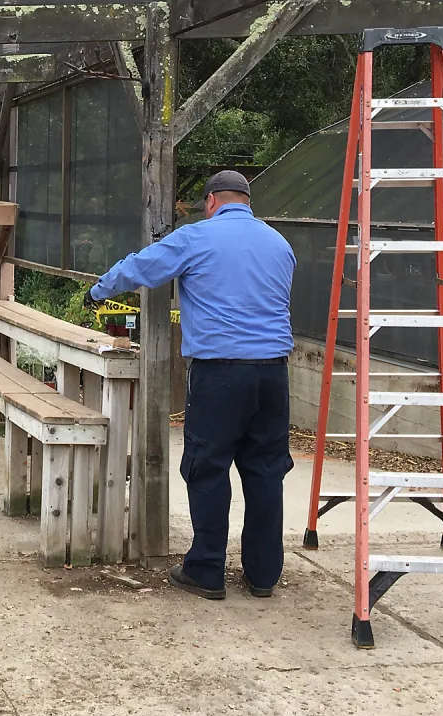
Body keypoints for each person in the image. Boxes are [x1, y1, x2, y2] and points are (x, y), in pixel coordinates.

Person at [88, 170, 296, 600]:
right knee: (265, 470)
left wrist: (97, 292)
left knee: (207, 467)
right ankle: (263, 574)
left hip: (221, 373)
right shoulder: (280, 244)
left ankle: (205, 570)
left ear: (211, 202)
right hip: (274, 374)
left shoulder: (197, 237)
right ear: (248, 202)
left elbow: (140, 268)